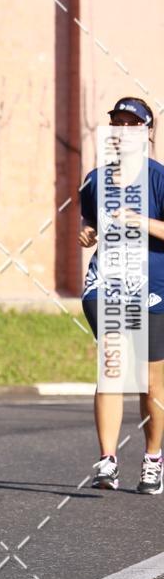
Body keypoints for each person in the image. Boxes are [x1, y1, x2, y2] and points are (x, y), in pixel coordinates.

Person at [79, 97, 164, 494]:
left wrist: (140, 221)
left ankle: (152, 458)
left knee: (151, 382)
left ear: (148, 132)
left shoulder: (159, 178)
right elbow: (89, 219)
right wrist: (87, 232)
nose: (124, 130)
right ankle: (107, 460)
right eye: (118, 123)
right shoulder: (96, 179)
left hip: (152, 288)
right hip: (107, 282)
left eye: (133, 124)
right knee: (112, 366)